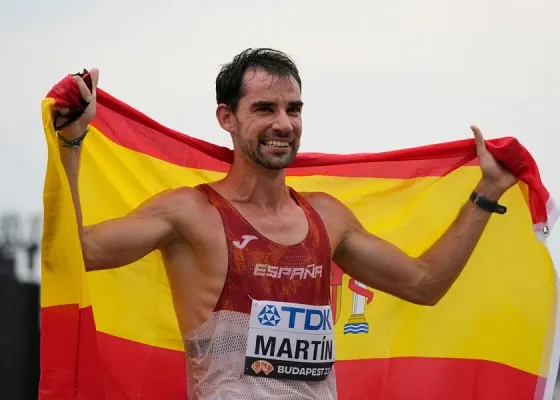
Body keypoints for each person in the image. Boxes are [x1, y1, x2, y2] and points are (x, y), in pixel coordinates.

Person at [52, 48, 517, 400]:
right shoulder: (191, 213)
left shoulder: (327, 217)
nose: (283, 123)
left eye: (293, 109)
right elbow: (81, 252)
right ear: (227, 118)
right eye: (264, 109)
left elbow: (424, 283)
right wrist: (72, 142)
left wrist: (488, 191)